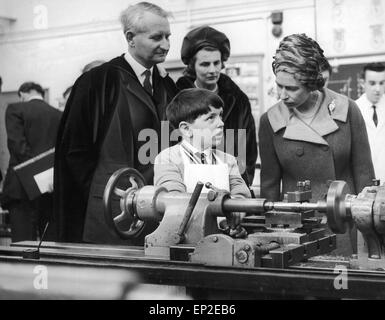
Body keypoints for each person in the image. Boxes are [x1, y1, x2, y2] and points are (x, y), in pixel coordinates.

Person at [53, 2, 178, 244]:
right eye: (157, 37)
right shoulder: (97, 83)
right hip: (109, 213)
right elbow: (75, 152)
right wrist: (102, 193)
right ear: (130, 38)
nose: (166, 45)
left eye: (168, 36)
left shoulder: (167, 86)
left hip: (158, 208)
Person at [258, 34, 375, 256]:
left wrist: (369, 230)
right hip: (295, 231)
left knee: (343, 285)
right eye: (279, 86)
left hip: (344, 224)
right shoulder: (270, 122)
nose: (282, 95)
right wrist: (271, 236)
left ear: (312, 83)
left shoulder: (347, 110)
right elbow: (270, 187)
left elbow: (364, 173)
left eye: (291, 88)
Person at [154, 88, 250, 236]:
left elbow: (240, 193)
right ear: (186, 129)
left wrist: (236, 211)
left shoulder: (228, 160)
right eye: (211, 117)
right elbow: (174, 202)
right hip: (183, 240)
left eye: (220, 116)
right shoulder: (167, 159)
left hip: (223, 238)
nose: (221, 123)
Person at [176, 26, 258, 189]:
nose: (212, 70)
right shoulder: (176, 98)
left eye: (216, 63)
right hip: (187, 190)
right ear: (192, 66)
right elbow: (168, 146)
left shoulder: (238, 100)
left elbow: (247, 152)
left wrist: (239, 189)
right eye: (205, 64)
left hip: (231, 191)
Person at [1, 82, 62, 242]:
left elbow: (17, 147)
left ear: (23, 94)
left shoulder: (16, 109)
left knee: (23, 244)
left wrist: (33, 178)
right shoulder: (59, 114)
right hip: (50, 188)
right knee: (48, 243)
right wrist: (45, 179)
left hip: (21, 188)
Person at [355, 62, 385, 184]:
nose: (377, 89)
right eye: (372, 83)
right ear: (363, 83)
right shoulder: (354, 108)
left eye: (382, 83)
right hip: (365, 182)